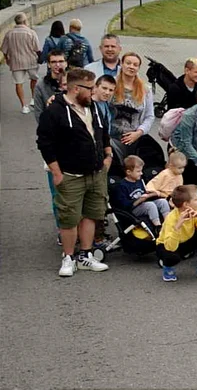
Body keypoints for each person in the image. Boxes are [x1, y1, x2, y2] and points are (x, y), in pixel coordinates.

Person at [38, 67, 112, 277]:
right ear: (76, 88)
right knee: (69, 218)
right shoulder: (55, 111)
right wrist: (57, 173)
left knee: (91, 215)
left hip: (96, 173)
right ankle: (68, 257)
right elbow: (45, 143)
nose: (94, 92)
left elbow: (102, 131)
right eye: (90, 88)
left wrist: (108, 155)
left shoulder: (93, 107)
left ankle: (85, 255)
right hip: (70, 175)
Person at [155, 185, 197, 283]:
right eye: (195, 199)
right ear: (186, 204)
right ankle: (167, 266)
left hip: (185, 241)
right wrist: (177, 226)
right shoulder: (171, 218)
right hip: (167, 245)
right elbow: (170, 247)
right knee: (172, 257)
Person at [111, 155, 170, 229]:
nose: (141, 173)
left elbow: (145, 194)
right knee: (150, 205)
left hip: (144, 204)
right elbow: (124, 205)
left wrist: (151, 194)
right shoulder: (122, 186)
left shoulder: (140, 181)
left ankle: (168, 223)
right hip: (133, 210)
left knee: (162, 202)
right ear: (128, 172)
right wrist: (139, 200)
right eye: (138, 171)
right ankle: (158, 227)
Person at [1, 12, 40, 113]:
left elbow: (3, 49)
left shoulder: (9, 34)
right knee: (34, 79)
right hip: (31, 60)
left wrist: (7, 58)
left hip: (16, 61)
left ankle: (24, 105)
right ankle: (33, 99)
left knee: (19, 83)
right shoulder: (31, 33)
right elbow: (36, 48)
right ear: (24, 21)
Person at [32, 49, 68, 121]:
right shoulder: (41, 85)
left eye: (61, 61)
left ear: (66, 63)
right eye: (53, 62)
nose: (57, 65)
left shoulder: (74, 81)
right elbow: (38, 111)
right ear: (48, 64)